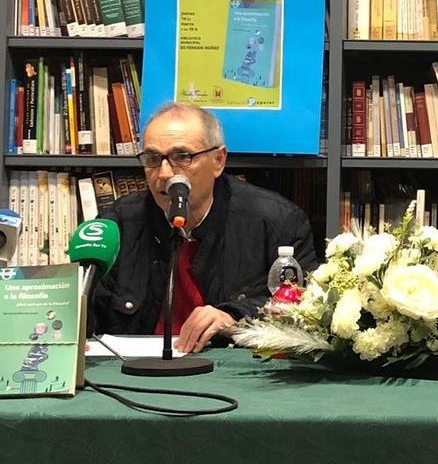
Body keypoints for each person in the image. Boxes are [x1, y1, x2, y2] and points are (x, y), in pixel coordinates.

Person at [92, 102, 320, 352]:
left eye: (182, 157)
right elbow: (88, 314)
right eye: (153, 159)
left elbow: (309, 306)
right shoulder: (116, 224)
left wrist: (234, 316)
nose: (165, 173)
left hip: (234, 373)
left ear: (218, 160)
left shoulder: (277, 221)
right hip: (135, 372)